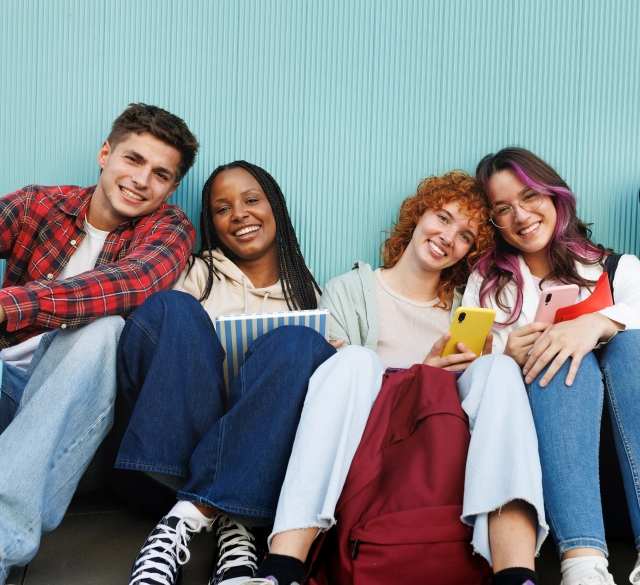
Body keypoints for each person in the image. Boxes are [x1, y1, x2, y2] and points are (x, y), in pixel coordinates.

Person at [244, 171, 547, 585]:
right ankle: (282, 569)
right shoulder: (348, 290)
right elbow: (337, 399)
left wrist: (462, 372)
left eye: (464, 236)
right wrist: (419, 374)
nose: (447, 237)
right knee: (353, 362)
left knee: (499, 367)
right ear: (419, 215)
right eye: (443, 218)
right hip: (368, 453)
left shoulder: (470, 309)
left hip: (439, 454)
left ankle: (516, 574)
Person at [464, 147, 640, 585]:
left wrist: (594, 324)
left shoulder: (617, 266)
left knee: (638, 346)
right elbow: (466, 370)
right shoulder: (486, 284)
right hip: (551, 458)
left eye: (530, 196)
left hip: (634, 454)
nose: (521, 215)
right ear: (494, 222)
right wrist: (504, 354)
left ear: (555, 196)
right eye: (503, 209)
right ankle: (582, 566)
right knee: (553, 355)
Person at [0, 102, 198, 583]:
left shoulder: (170, 230)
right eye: (133, 159)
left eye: (160, 174)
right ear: (105, 153)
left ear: (171, 188)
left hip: (77, 437)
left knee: (104, 326)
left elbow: (128, 284)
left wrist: (9, 306)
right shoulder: (36, 206)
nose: (141, 180)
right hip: (6, 393)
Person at [112, 161, 336, 585]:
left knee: (302, 343)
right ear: (212, 223)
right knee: (172, 309)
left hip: (260, 474)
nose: (239, 214)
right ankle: (229, 511)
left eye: (252, 200)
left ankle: (214, 516)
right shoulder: (195, 274)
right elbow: (151, 349)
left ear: (276, 208)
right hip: (166, 463)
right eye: (222, 208)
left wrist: (326, 358)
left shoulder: (310, 294)